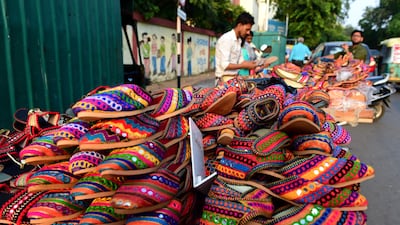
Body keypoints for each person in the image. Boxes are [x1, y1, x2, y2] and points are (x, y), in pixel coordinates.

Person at [215, 12, 258, 84]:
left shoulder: (239, 40)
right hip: (223, 80)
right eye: (247, 29)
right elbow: (225, 65)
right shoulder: (227, 39)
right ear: (240, 25)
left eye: (249, 30)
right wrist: (243, 66)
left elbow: (241, 61)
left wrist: (254, 64)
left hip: (235, 78)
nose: (248, 32)